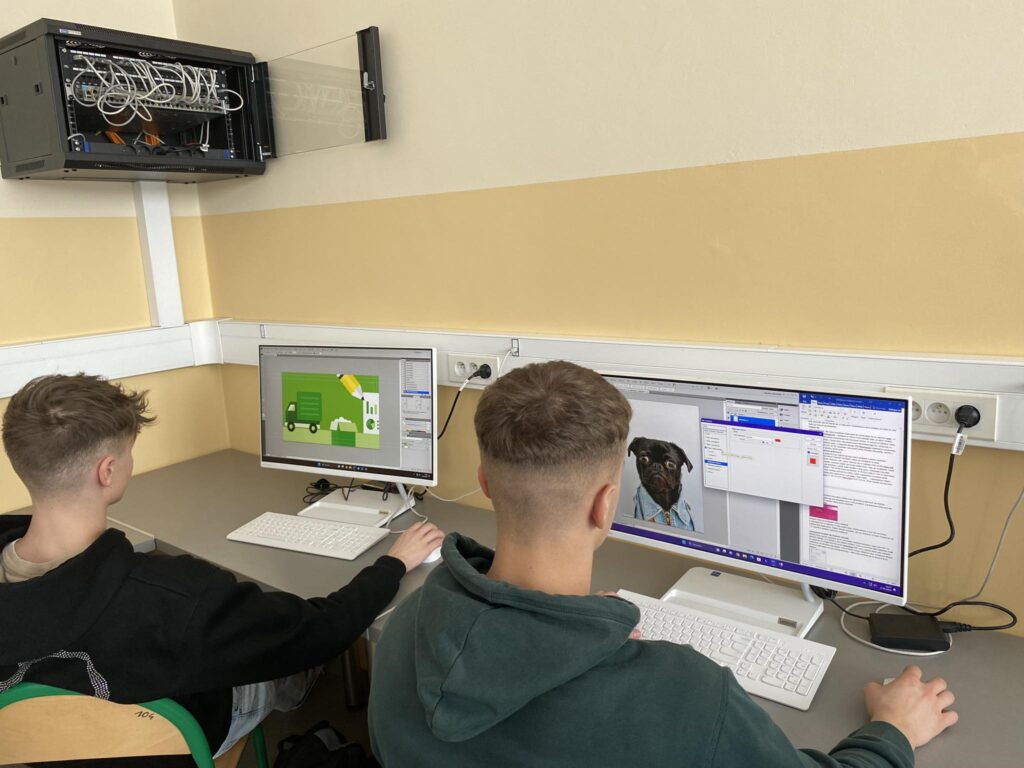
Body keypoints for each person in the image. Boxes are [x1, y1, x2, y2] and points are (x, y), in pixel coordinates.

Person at [368, 360, 956, 767]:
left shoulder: (405, 625)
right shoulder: (686, 694)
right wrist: (892, 732)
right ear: (607, 504)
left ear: (484, 482)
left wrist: (569, 629)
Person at [0, 373, 444, 757]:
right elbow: (321, 630)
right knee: (275, 641)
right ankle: (293, 689)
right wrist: (392, 564)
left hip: (26, 747)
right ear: (108, 471)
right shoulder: (175, 597)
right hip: (167, 745)